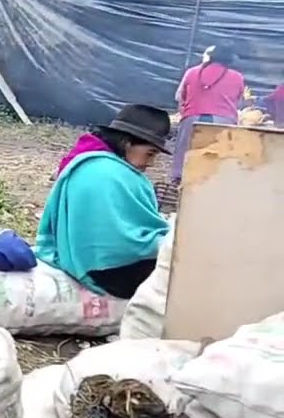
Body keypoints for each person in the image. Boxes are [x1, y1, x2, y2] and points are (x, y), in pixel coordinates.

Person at [35, 104, 171, 300]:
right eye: (150, 154)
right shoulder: (119, 175)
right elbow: (132, 242)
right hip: (109, 276)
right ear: (126, 144)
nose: (150, 163)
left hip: (77, 260)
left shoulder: (84, 161)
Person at [171, 43, 244, 183]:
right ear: (230, 60)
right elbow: (238, 102)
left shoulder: (192, 72)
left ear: (210, 57)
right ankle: (216, 183)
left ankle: (179, 181)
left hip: (192, 120)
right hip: (223, 122)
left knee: (185, 153)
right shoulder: (237, 77)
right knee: (219, 157)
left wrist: (185, 112)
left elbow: (180, 97)